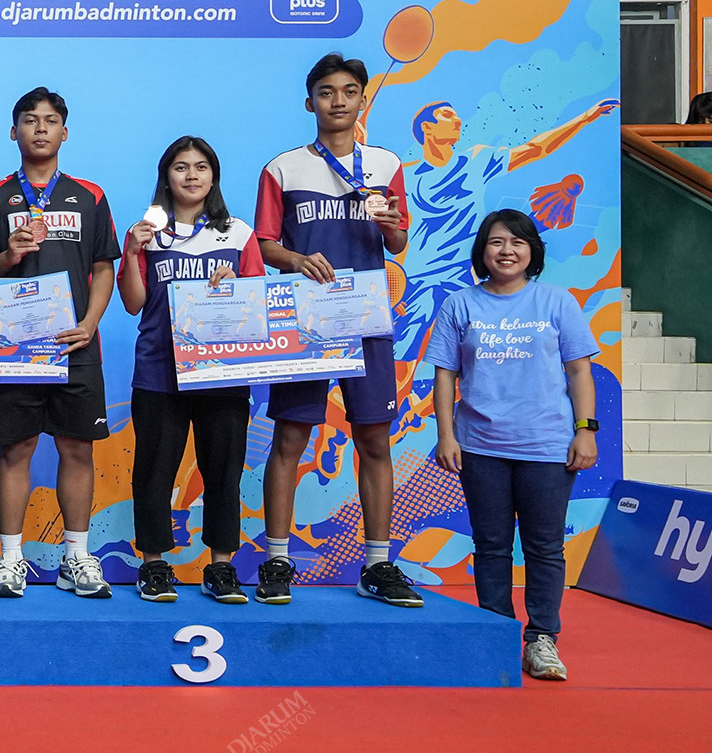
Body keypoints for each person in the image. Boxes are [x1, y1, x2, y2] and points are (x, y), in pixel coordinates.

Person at [254, 53, 419, 606]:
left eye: (349, 91)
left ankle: (378, 564)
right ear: (310, 103)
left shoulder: (386, 164)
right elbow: (265, 244)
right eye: (327, 92)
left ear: (362, 101)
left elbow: (397, 240)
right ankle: (277, 561)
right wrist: (297, 260)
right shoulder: (283, 169)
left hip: (367, 318)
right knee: (290, 438)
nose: (338, 101)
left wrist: (392, 227)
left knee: (373, 438)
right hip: (307, 320)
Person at [426, 209, 599, 681]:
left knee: (545, 548)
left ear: (532, 251)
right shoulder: (460, 305)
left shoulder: (556, 301)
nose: (507, 251)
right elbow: (445, 375)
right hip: (480, 446)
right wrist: (447, 435)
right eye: (497, 242)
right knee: (491, 546)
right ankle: (497, 634)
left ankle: (542, 640)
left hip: (547, 446)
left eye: (518, 242)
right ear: (482, 250)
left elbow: (579, 370)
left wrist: (586, 429)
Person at [0, 88, 120, 599]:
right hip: (15, 348)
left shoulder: (90, 196)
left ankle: (76, 557)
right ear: (14, 132)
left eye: (50, 121)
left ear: (64, 132)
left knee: (76, 448)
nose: (40, 128)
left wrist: (91, 322)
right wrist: (6, 258)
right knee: (17, 449)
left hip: (76, 346)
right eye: (30, 120)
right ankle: (10, 560)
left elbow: (103, 267)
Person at [117, 137, 265, 604]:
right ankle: (154, 565)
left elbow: (258, 302)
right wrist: (131, 253)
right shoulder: (146, 233)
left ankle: (220, 567)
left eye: (201, 167)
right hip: (159, 372)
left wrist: (237, 285)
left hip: (222, 375)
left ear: (213, 176)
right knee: (153, 472)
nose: (192, 175)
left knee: (223, 472)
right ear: (166, 176)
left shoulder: (238, 233)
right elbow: (133, 303)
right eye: (181, 167)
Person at [395, 97, 616, 371]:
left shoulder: (476, 160)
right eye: (447, 115)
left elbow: (536, 149)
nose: (458, 120)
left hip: (461, 276)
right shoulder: (406, 175)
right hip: (419, 276)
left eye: (457, 115)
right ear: (426, 127)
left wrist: (586, 117)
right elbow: (383, 219)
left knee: (471, 356)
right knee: (402, 355)